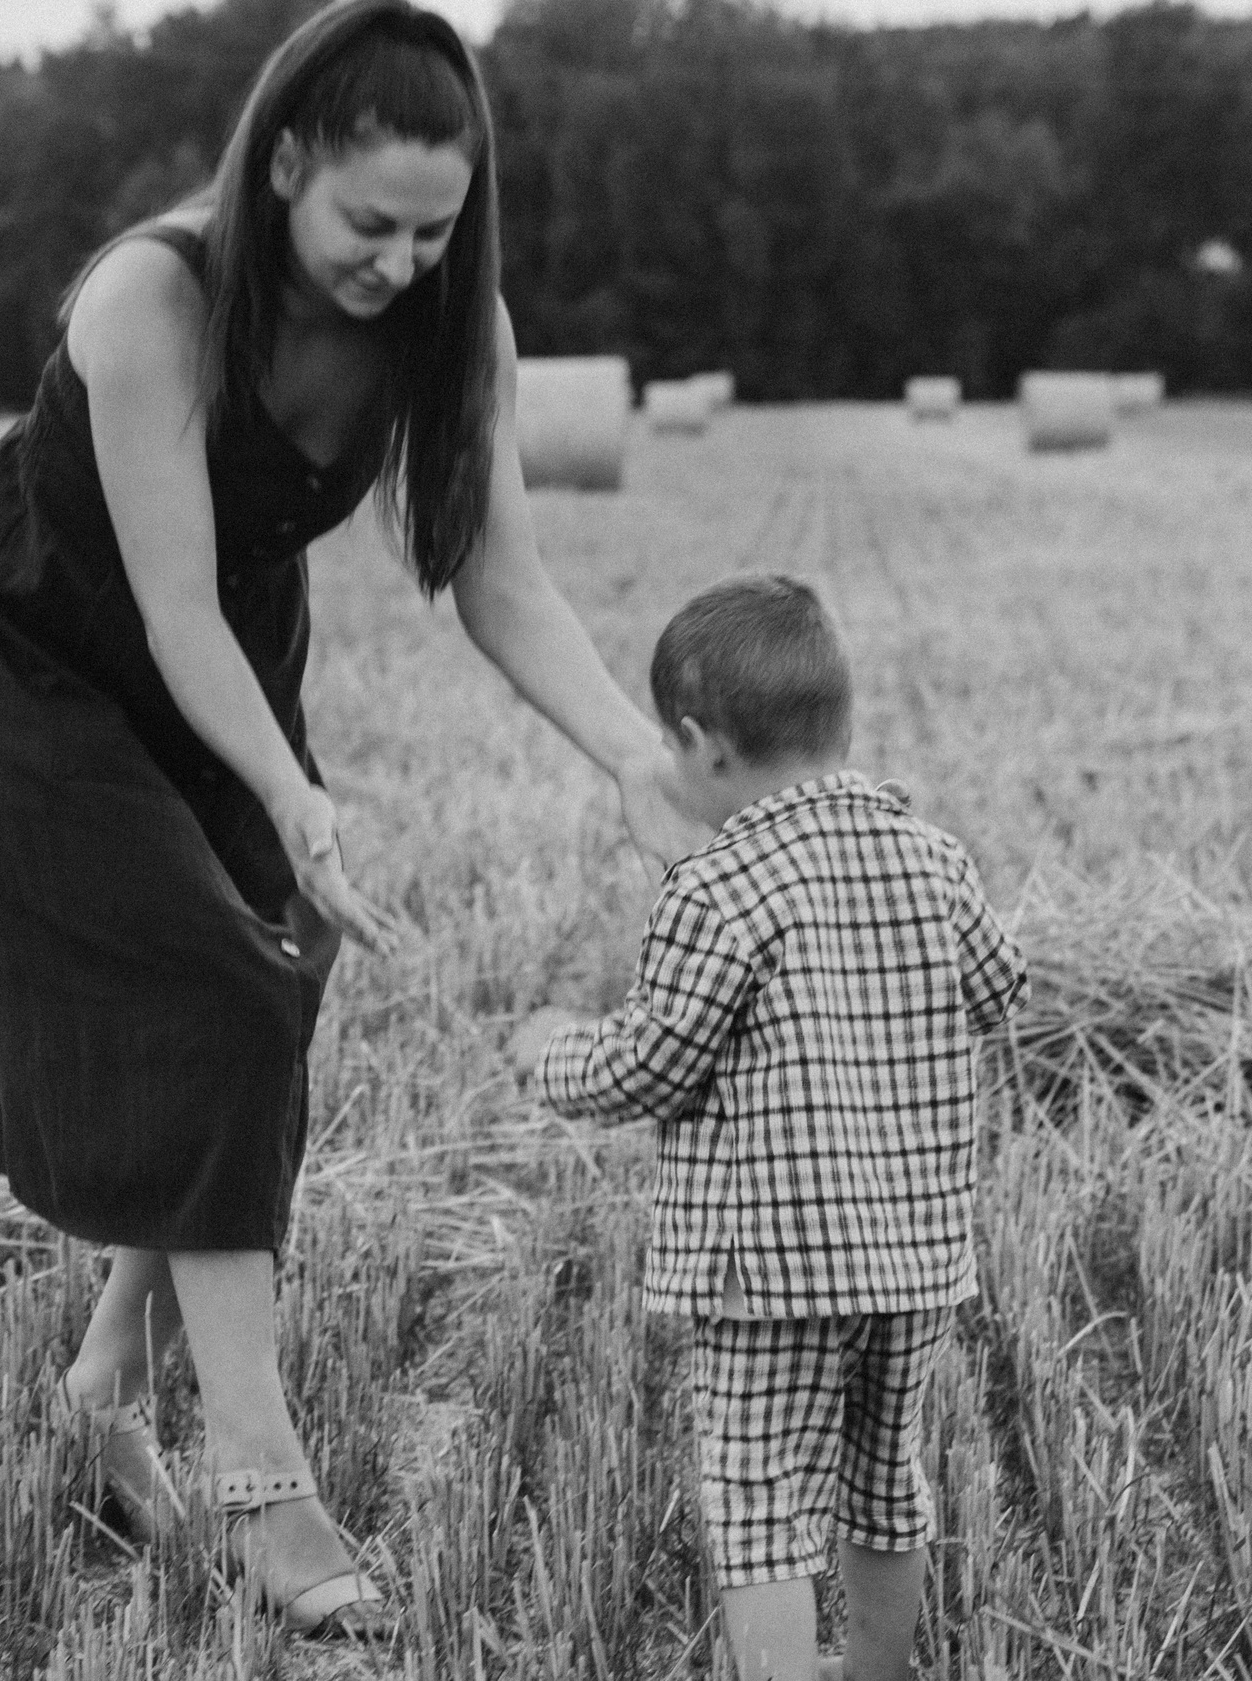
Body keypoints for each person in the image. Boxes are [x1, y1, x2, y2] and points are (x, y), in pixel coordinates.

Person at [0, 0, 697, 1644]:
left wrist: (635, 757)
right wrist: (290, 788)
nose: (401, 263)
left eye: (435, 231)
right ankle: (266, 1490)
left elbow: (501, 581)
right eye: (367, 223)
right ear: (281, 169)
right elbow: (168, 605)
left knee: (260, 996)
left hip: (227, 659)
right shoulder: (152, 297)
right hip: (39, 656)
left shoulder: (456, 331)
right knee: (219, 989)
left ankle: (107, 1380)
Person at [510, 575, 1028, 1681]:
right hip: (913, 1256)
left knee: (758, 1500)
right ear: (841, 722)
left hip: (771, 1272)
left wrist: (548, 1051)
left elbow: (648, 1067)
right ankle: (877, 1672)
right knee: (884, 1475)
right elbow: (1000, 989)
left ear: (700, 746)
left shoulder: (716, 889)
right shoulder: (933, 859)